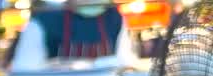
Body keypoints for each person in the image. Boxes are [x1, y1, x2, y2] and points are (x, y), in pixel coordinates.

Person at [9, 0, 138, 69]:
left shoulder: (114, 18)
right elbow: (24, 71)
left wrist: (89, 66)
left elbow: (126, 61)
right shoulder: (44, 20)